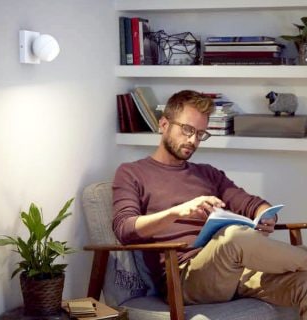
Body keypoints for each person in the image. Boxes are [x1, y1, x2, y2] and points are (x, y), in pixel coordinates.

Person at [112, 90, 307, 318]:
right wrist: (177, 211)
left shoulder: (208, 174)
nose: (193, 140)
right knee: (234, 236)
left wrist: (266, 214)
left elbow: (250, 203)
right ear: (163, 124)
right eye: (187, 130)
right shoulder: (132, 173)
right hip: (185, 278)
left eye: (200, 134)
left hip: (233, 271)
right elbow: (124, 228)